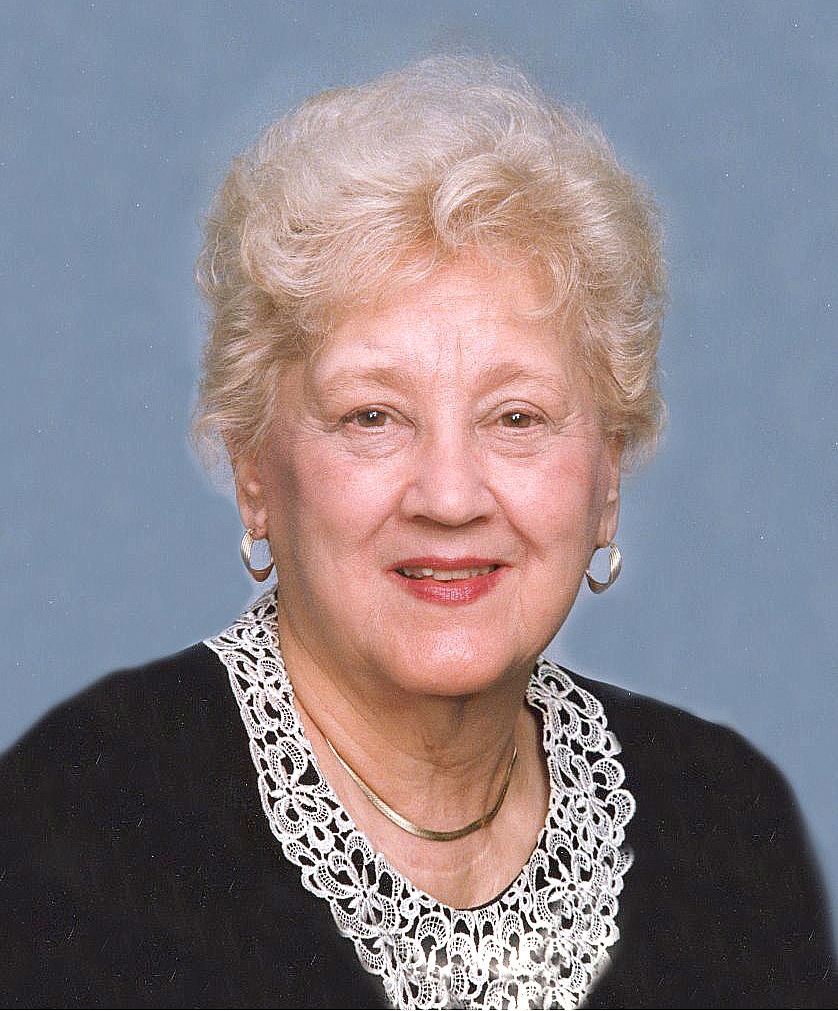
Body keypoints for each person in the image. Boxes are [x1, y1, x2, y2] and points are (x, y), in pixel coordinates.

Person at [1, 57, 833, 1010]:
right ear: (254, 473)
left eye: (516, 417)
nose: (449, 496)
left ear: (606, 478)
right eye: (372, 416)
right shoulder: (77, 828)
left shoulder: (728, 824)